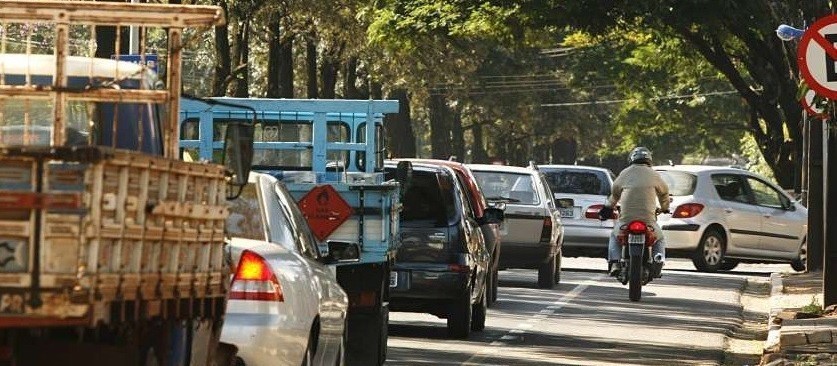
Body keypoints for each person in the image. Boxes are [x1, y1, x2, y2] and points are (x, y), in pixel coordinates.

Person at [599, 147, 670, 277]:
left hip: (626, 220)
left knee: (614, 236)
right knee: (659, 239)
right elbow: (664, 194)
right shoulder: (654, 175)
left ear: (632, 159)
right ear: (649, 160)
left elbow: (614, 195)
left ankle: (614, 262)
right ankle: (658, 260)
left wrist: (607, 208)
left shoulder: (624, 173)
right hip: (648, 220)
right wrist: (665, 207)